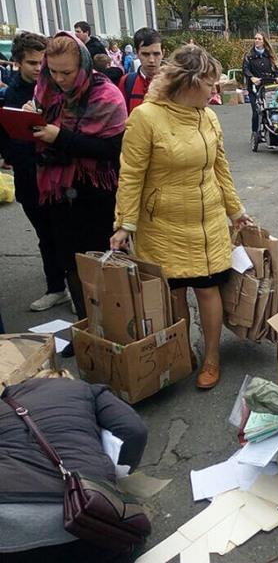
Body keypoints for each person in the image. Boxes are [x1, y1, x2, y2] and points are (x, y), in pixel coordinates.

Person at [111, 45, 253, 390]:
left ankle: (211, 358)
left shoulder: (209, 117)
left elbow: (221, 168)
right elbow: (131, 174)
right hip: (162, 225)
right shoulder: (146, 118)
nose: (215, 90)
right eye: (209, 83)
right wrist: (124, 224)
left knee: (208, 290)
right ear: (189, 82)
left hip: (207, 223)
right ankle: (180, 351)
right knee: (174, 294)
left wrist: (235, 211)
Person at [28, 31, 127, 343]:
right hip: (60, 193)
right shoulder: (46, 89)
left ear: (83, 65)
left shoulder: (107, 96)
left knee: (103, 267)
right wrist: (30, 120)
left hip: (97, 195)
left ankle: (116, 334)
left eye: (67, 72)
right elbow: (39, 137)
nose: (59, 79)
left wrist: (60, 137)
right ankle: (87, 333)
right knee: (71, 264)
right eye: (54, 71)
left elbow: (112, 151)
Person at [0, 369, 148, 563]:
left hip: (7, 534)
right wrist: (116, 479)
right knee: (129, 540)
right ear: (67, 379)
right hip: (83, 523)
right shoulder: (84, 389)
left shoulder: (4, 406)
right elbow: (134, 431)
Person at [0, 32, 70, 313]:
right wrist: (12, 156)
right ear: (17, 62)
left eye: (43, 62)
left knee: (66, 233)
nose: (39, 68)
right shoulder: (10, 94)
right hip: (28, 175)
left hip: (58, 175)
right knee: (45, 234)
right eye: (32, 63)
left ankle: (78, 290)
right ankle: (56, 288)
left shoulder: (58, 88)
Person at [242, 33, 278, 138]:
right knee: (256, 111)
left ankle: (274, 128)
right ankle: (255, 132)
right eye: (255, 38)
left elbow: (277, 69)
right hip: (255, 88)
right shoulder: (249, 55)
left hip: (269, 87)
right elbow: (245, 69)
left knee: (272, 109)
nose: (257, 40)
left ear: (264, 41)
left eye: (259, 39)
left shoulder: (270, 55)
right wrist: (252, 78)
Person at [118, 28, 163, 114]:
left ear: (163, 53)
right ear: (137, 53)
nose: (151, 60)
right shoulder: (127, 82)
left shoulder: (173, 82)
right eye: (145, 54)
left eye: (156, 54)